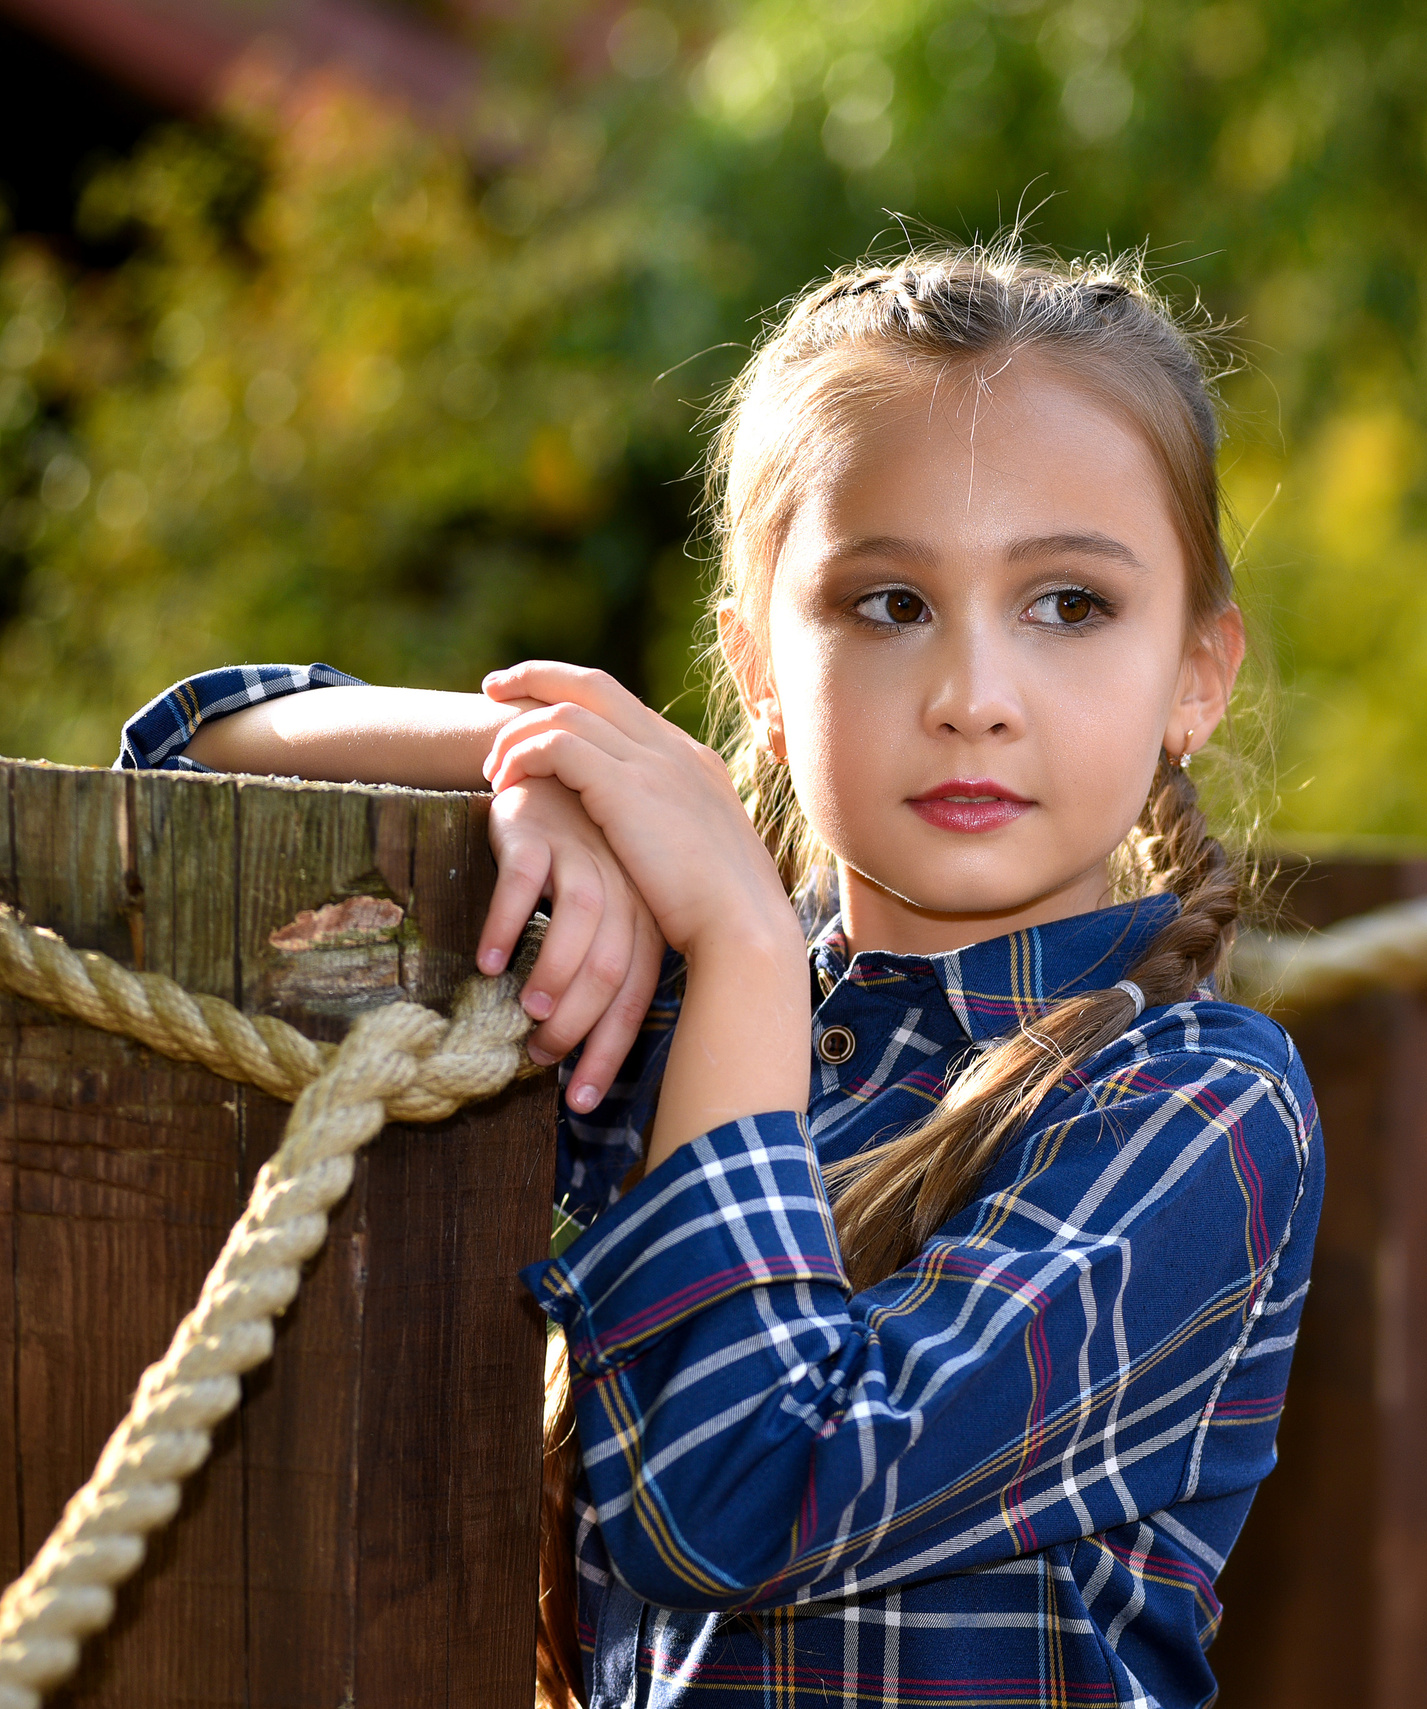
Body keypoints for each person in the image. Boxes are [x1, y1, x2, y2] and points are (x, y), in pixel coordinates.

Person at [115, 247, 1323, 1709]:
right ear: (757, 666)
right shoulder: (658, 992)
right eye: (889, 604)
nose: (973, 698)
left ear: (1197, 672)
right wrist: (545, 764)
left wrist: (746, 945)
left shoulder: (1198, 1105)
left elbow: (733, 1501)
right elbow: (182, 761)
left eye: (1068, 604)